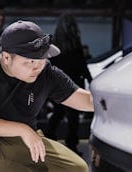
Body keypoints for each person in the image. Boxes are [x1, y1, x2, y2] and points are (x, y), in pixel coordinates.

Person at [0, 20, 93, 171]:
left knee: (76, 168)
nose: (37, 67)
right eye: (31, 61)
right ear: (6, 58)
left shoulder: (45, 72)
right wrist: (23, 130)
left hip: (22, 141)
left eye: (42, 58)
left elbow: (85, 100)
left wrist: (113, 102)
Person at [47, 13, 92, 154]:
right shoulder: (75, 44)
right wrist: (90, 80)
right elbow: (82, 66)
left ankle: (49, 138)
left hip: (57, 85)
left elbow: (50, 64)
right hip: (73, 85)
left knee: (58, 112)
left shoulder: (54, 44)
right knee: (73, 118)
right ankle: (71, 145)